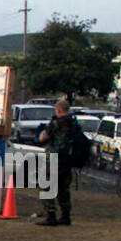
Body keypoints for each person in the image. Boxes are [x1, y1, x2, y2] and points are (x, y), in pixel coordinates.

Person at [36, 97, 78, 226]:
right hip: (67, 158)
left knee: (46, 184)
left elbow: (43, 137)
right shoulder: (74, 124)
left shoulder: (56, 123)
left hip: (54, 157)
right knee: (63, 187)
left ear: (58, 110)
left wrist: (43, 132)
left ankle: (51, 215)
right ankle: (65, 215)